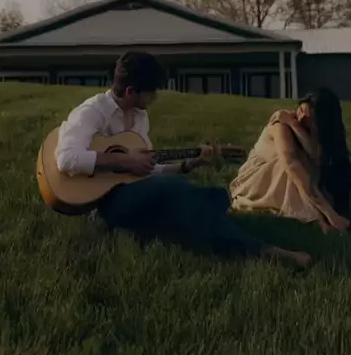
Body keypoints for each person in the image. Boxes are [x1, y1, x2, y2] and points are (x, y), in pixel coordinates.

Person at [55, 51, 312, 268]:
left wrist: (191, 163)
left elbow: (147, 170)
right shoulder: (92, 112)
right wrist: (124, 161)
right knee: (178, 193)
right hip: (100, 203)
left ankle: (175, 228)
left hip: (134, 192)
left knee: (216, 197)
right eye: (151, 93)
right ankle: (262, 251)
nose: (154, 98)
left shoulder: (139, 117)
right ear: (131, 91)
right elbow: (66, 158)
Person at [229, 88, 351, 233]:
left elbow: (318, 156)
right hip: (258, 179)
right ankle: (318, 218)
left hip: (288, 177)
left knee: (307, 166)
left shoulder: (298, 125)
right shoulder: (280, 123)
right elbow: (290, 164)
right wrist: (329, 212)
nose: (300, 118)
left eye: (308, 119)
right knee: (293, 168)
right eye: (300, 110)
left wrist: (295, 125)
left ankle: (320, 215)